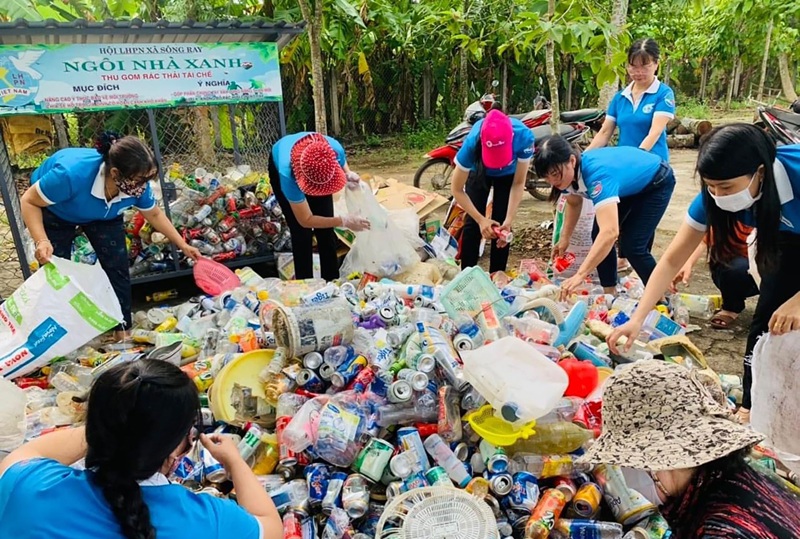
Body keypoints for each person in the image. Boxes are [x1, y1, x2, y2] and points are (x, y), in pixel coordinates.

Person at [608, 124, 800, 424]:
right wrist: (637, 318)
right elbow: (672, 259)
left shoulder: (796, 173)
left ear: (760, 172)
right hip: (787, 239)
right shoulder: (712, 197)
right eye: (711, 186)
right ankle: (753, 407)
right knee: (767, 326)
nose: (718, 195)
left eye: (726, 188)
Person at [0, 359, 282, 539]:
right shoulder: (206, 519)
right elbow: (271, 526)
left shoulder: (26, 486)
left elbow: (30, 452)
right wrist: (234, 462)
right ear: (174, 447)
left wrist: (112, 421)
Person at [579, 360, 800, 539]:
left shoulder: (723, 529)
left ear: (659, 460)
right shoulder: (735, 476)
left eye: (627, 461)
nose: (626, 470)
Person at [20, 132, 201, 333]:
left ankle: (121, 330)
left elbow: (154, 214)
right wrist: (42, 240)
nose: (144, 187)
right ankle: (54, 332)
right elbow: (29, 201)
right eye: (140, 180)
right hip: (58, 210)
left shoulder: (135, 187)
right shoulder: (70, 175)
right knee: (55, 270)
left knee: (117, 267)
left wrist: (183, 245)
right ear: (115, 173)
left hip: (105, 214)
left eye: (147, 180)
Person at [535, 135, 675, 297]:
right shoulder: (566, 177)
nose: (552, 181)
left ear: (572, 161)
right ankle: (610, 293)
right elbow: (574, 203)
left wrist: (581, 274)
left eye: (555, 174)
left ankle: (660, 297)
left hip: (656, 181)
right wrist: (565, 238)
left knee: (633, 246)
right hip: (627, 185)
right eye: (546, 177)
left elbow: (610, 232)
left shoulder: (596, 176)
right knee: (597, 234)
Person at [586, 38, 676, 272]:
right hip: (621, 170)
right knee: (611, 222)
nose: (638, 72)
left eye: (644, 66)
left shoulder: (663, 94)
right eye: (633, 66)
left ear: (656, 64)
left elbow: (655, 131)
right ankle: (616, 271)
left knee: (641, 225)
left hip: (651, 167)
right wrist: (583, 159)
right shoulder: (620, 97)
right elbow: (605, 132)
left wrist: (636, 160)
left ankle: (639, 266)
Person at [270, 132, 370, 281]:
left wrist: (349, 174)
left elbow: (343, 164)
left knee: (326, 230)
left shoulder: (333, 149)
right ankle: (305, 285)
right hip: (287, 165)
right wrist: (344, 221)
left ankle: (332, 282)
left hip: (317, 169)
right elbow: (306, 219)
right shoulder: (287, 173)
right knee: (301, 233)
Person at [450, 109, 534, 272]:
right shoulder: (472, 143)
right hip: (480, 170)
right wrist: (481, 220)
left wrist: (509, 220)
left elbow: (518, 183)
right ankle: (468, 276)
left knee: (502, 224)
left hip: (509, 175)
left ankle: (498, 276)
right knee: (473, 224)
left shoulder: (523, 137)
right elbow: (457, 189)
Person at [673, 222, 759, 329]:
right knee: (734, 268)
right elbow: (702, 242)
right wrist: (687, 264)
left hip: (767, 269)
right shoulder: (731, 217)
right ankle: (731, 307)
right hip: (735, 268)